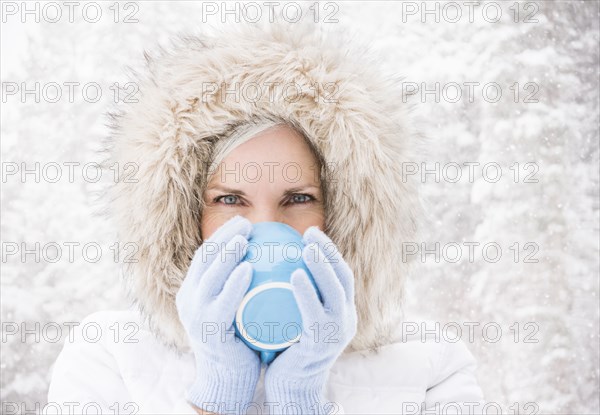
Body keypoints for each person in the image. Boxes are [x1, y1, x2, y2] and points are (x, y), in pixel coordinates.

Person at [47, 18, 485, 415]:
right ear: (183, 217)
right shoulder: (109, 356)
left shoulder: (428, 364)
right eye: (230, 201)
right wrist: (218, 397)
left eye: (297, 199)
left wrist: (301, 402)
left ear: (345, 214)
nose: (263, 229)